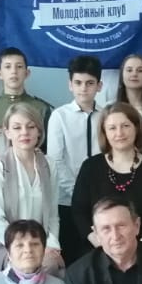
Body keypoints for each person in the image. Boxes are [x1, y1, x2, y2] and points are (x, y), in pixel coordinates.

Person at [0, 103, 64, 277]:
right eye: (17, 128)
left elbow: (53, 216)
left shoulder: (49, 165)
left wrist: (51, 246)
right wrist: (23, 248)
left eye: (31, 127)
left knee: (51, 266)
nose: (24, 132)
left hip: (39, 245)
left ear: (39, 131)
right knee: (29, 270)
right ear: (7, 132)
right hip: (3, 246)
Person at [72, 102, 142, 251]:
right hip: (99, 248)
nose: (119, 133)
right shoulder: (90, 167)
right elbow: (79, 212)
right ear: (104, 132)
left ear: (136, 128)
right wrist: (101, 244)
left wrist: (140, 247)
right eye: (112, 128)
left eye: (125, 126)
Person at [46, 56, 103, 262]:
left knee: (98, 255)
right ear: (70, 85)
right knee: (71, 256)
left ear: (99, 86)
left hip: (100, 199)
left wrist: (96, 195)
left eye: (89, 83)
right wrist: (77, 193)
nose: (83, 88)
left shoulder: (106, 116)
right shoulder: (59, 116)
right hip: (67, 200)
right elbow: (56, 159)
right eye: (78, 83)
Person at [0, 47, 53, 162]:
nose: (14, 71)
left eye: (19, 66)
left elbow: (50, 149)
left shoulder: (41, 108)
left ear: (27, 73)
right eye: (8, 67)